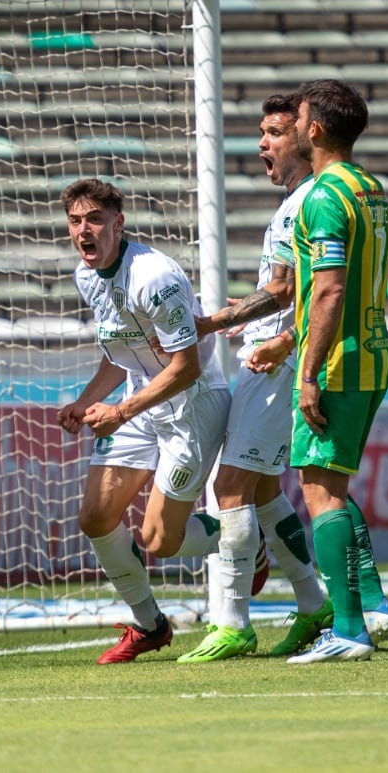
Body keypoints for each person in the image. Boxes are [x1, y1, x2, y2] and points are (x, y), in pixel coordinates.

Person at [244, 79, 388, 663]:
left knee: (320, 492)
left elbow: (329, 292)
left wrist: (306, 372)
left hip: (338, 361)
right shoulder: (370, 189)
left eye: (298, 118)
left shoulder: (324, 196)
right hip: (374, 353)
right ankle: (366, 611)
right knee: (330, 487)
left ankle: (350, 628)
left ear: (314, 130)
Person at [176, 95, 334, 663]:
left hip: (276, 362)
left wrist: (213, 321)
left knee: (231, 489)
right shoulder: (299, 202)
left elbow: (287, 290)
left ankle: (234, 622)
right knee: (265, 493)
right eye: (261, 132)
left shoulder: (303, 204)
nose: (262, 144)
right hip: (278, 352)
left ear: (304, 137)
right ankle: (315, 603)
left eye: (273, 132)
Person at [57, 177, 233, 664]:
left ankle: (245, 536)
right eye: (75, 221)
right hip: (140, 400)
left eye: (94, 219)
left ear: (119, 222)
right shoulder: (87, 276)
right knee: (94, 517)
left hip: (190, 404)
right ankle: (150, 624)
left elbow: (186, 366)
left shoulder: (155, 276)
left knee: (159, 539)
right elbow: (122, 355)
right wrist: (85, 400)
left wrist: (118, 411)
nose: (83, 230)